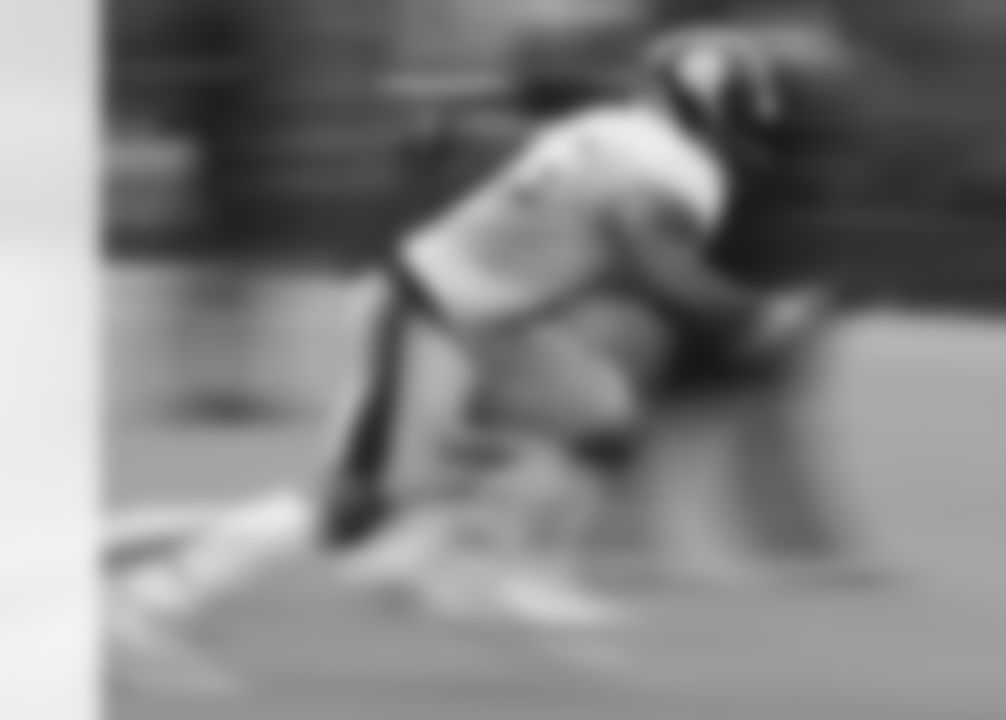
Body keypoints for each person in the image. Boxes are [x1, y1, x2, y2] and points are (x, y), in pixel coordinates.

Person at [107, 27, 828, 688]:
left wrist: (444, 143)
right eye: (740, 117)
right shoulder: (670, 167)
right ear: (708, 111)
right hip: (430, 314)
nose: (746, 137)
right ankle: (152, 604)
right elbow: (648, 254)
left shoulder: (607, 128)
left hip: (491, 321)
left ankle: (478, 572)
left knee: (601, 419)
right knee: (352, 508)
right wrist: (746, 315)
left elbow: (502, 156)